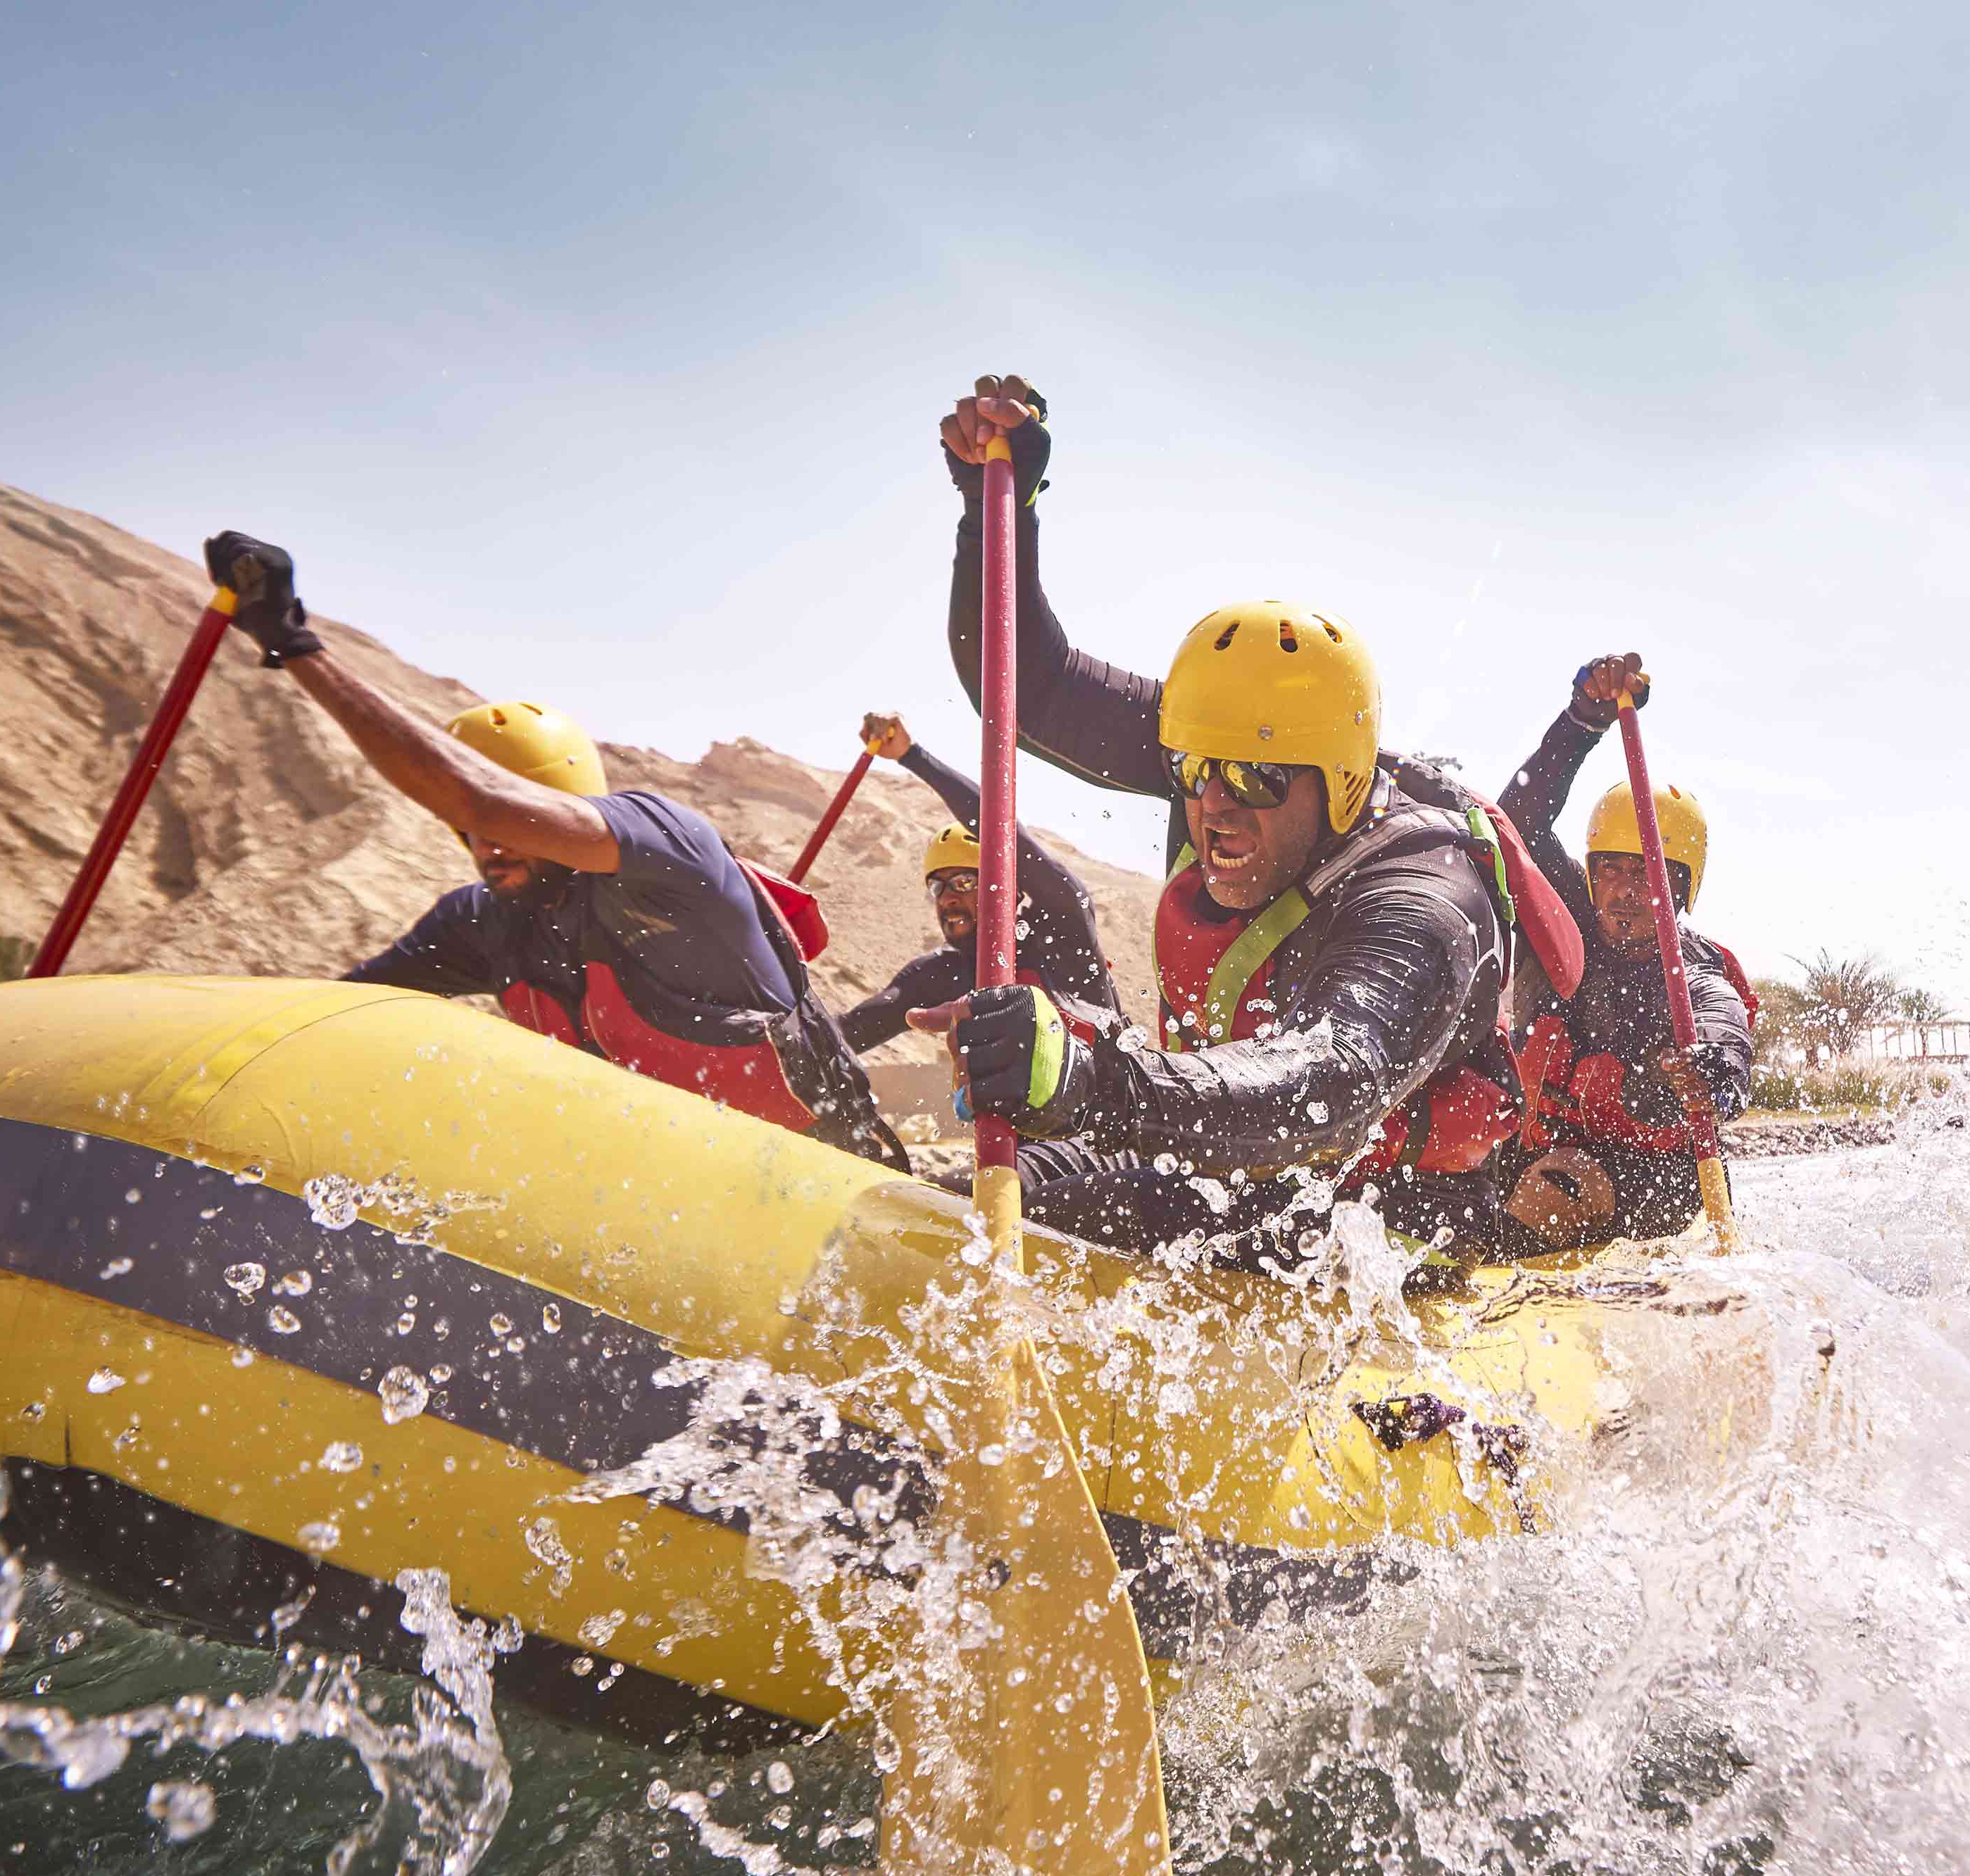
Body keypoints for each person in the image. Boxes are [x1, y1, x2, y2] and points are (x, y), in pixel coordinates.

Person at [912, 377, 1582, 1267]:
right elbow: (1026, 691)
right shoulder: (1222, 750)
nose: (1211, 805)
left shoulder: (1425, 897)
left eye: (1254, 780)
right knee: (967, 1211)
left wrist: (1089, 1078)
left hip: (1387, 1222)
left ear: (1337, 781)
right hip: (1213, 1150)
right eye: (1188, 770)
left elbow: (1329, 1083)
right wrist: (997, 509)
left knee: (1078, 1218)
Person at [201, 531, 909, 1169]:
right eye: (471, 832)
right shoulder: (479, 922)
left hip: (828, 1170)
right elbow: (335, 1013)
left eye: (510, 820)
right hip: (677, 1192)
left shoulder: (668, 846)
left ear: (560, 807)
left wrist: (291, 642)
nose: (485, 844)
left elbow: (476, 798)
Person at [1489, 653, 1757, 1250]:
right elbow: (1516, 824)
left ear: (1683, 888)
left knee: (1552, 1189)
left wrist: (1713, 1073)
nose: (1627, 893)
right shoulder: (1569, 918)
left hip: (1656, 1184)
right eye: (1611, 870)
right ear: (1590, 873)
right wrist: (1583, 721)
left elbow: (1726, 1032)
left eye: (1649, 874)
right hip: (1547, 1147)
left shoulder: (1696, 976)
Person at [834, 712, 1127, 1054]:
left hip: (1116, 1099)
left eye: (962, 881)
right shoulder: (942, 972)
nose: (947, 898)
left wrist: (911, 756)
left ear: (1012, 889)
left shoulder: (1063, 928)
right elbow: (848, 1034)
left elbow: (1004, 832)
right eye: (937, 887)